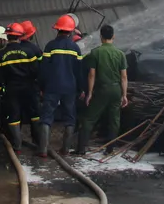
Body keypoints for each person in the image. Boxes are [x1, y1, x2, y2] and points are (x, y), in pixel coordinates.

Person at [75, 24, 128, 156]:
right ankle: (110, 149)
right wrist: (124, 95)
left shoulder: (95, 53)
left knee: (89, 118)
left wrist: (90, 93)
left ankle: (81, 149)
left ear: (101, 37)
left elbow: (91, 75)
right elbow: (124, 77)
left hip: (101, 90)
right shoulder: (120, 54)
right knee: (114, 120)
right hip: (116, 90)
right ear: (113, 36)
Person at [38, 14, 82, 157]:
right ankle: (65, 150)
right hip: (70, 88)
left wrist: (42, 87)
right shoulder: (75, 48)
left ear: (57, 29)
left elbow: (44, 69)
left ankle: (43, 150)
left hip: (52, 87)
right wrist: (80, 89)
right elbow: (79, 71)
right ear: (71, 31)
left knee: (46, 117)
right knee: (70, 118)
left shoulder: (50, 46)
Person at [0, 22, 41, 153]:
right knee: (34, 113)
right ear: (20, 36)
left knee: (14, 115)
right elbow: (36, 71)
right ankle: (38, 141)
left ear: (7, 36)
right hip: (29, 87)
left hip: (11, 88)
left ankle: (17, 145)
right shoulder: (29, 51)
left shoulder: (1, 54)